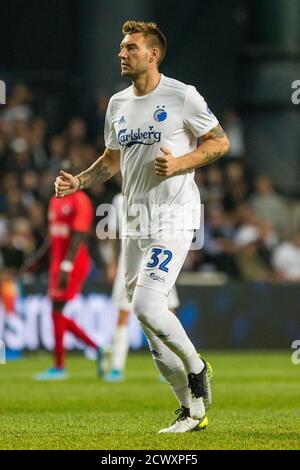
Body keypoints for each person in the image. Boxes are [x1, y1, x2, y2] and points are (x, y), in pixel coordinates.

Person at [55, 21, 230, 433]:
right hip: (134, 220)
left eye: (130, 47)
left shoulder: (183, 96)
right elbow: (111, 161)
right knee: (150, 326)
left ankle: (197, 366)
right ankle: (192, 412)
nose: (121, 53)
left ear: (153, 54)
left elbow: (219, 142)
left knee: (147, 306)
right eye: (120, 48)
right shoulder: (117, 104)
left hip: (174, 215)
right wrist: (79, 181)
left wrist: (180, 164)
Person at [23, 161, 103, 380]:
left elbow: (79, 236)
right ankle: (94, 348)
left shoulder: (81, 201)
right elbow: (53, 236)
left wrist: (67, 266)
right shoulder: (55, 201)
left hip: (73, 263)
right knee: (56, 312)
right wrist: (37, 259)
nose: (61, 181)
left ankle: (61, 366)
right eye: (58, 177)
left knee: (56, 309)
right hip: (58, 263)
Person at [104, 192, 180, 383]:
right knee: (123, 313)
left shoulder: (163, 193)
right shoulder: (120, 198)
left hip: (159, 258)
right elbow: (114, 234)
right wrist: (112, 263)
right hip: (129, 261)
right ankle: (116, 367)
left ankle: (172, 365)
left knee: (168, 312)